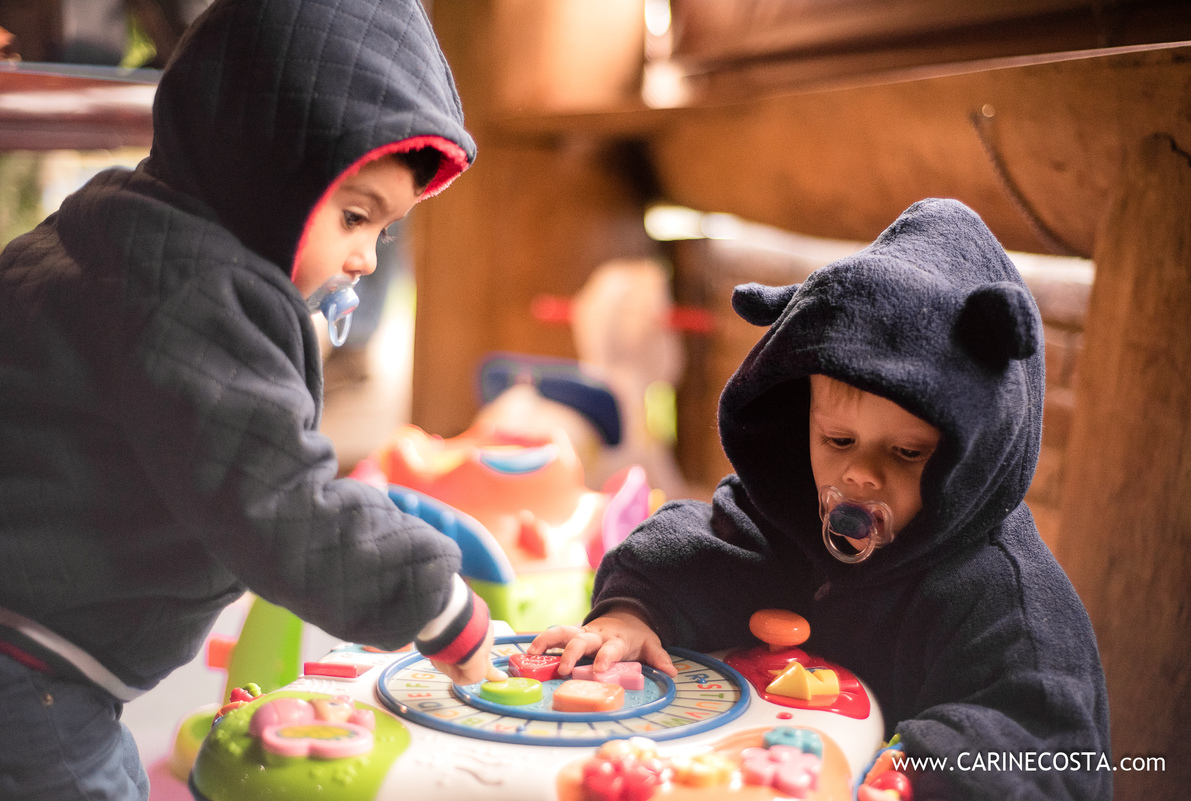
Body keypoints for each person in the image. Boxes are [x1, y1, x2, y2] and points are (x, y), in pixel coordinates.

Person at [0, 1, 501, 798]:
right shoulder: (197, 293)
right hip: (28, 665)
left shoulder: (125, 234)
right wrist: (432, 596)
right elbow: (277, 501)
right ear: (262, 171)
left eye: (385, 231)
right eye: (353, 217)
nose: (366, 258)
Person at [531, 199, 1112, 800]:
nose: (861, 475)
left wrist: (919, 773)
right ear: (798, 423)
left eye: (906, 453)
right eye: (839, 440)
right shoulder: (787, 515)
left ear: (972, 455)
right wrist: (635, 612)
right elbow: (702, 550)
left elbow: (1047, 749)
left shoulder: (1007, 602)